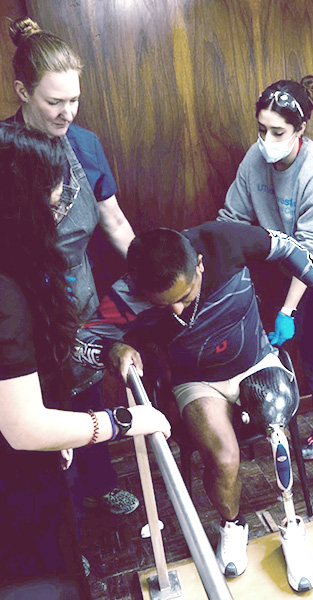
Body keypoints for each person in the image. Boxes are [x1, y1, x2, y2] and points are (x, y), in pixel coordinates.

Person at [73, 220, 313, 578]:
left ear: (199, 264)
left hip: (255, 361)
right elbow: (81, 342)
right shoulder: (128, 291)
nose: (177, 311)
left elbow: (289, 247)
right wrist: (111, 349)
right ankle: (233, 525)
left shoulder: (222, 240)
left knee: (277, 429)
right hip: (197, 382)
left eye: (184, 297)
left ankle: (292, 527)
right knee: (224, 458)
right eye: (164, 304)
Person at [0, 122, 170, 593]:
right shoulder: (7, 292)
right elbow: (23, 427)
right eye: (52, 209)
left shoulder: (24, 269)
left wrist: (106, 351)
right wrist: (124, 421)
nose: (60, 222)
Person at [217, 75, 313, 510]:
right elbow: (232, 219)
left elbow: (312, 253)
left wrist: (287, 309)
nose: (267, 141)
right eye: (261, 129)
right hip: (293, 272)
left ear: (300, 129)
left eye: (278, 132)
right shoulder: (255, 160)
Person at [6, 16, 138, 518]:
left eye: (74, 100)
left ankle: (100, 484)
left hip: (78, 302)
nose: (67, 113)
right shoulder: (5, 150)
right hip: (22, 313)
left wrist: (159, 275)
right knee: (38, 420)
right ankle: (60, 523)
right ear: (22, 91)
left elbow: (115, 222)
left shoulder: (85, 144)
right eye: (54, 102)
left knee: (86, 396)